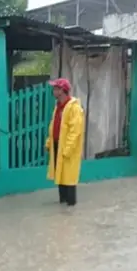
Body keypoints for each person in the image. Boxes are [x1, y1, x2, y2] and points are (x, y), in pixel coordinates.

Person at [45, 78, 84, 206]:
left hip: (68, 150)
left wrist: (67, 150)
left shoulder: (74, 108)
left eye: (56, 88)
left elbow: (75, 131)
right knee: (60, 177)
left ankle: (70, 208)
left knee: (69, 180)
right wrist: (49, 142)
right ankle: (62, 207)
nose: (54, 91)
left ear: (62, 91)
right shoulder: (58, 107)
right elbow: (53, 126)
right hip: (58, 146)